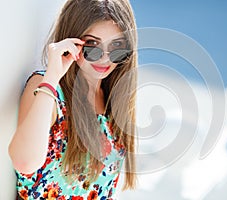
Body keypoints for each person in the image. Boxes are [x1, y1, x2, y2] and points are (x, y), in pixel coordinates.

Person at [8, 0, 137, 199]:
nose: (104, 59)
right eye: (92, 46)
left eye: (117, 47)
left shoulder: (113, 97)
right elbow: (25, 162)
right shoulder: (48, 88)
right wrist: (52, 76)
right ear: (72, 41)